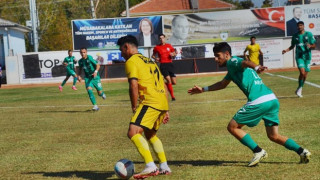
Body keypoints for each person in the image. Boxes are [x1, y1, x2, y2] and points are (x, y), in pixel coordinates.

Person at [188, 42, 311, 167]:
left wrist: (257, 67)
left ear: (226, 54)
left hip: (259, 100)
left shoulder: (233, 61)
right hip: (272, 99)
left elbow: (245, 62)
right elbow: (222, 84)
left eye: (217, 56)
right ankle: (302, 152)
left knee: (233, 127)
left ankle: (258, 151)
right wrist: (203, 89)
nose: (215, 59)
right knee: (274, 136)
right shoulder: (232, 69)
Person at [117, 35, 171, 179]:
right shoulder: (150, 61)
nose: (121, 54)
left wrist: (134, 106)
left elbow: (133, 84)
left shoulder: (131, 61)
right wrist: (166, 109)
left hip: (150, 101)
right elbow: (164, 85)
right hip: (161, 101)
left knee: (133, 132)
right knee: (150, 134)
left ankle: (150, 166)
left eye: (121, 50)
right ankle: (164, 166)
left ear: (126, 47)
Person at [282, 21, 316, 98]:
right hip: (299, 56)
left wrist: (310, 46)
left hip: (307, 57)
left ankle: (299, 88)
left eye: (301, 25)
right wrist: (286, 50)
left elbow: (314, 45)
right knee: (302, 72)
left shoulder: (309, 34)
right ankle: (299, 89)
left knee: (305, 75)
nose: (300, 27)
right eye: (298, 26)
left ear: (303, 26)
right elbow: (292, 46)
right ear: (297, 27)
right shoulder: (295, 36)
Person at [152, 34, 177, 101]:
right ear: (159, 39)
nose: (161, 39)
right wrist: (156, 58)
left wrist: (173, 54)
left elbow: (174, 53)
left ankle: (161, 84)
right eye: (160, 38)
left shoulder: (169, 45)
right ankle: (173, 97)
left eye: (162, 38)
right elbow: (153, 56)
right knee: (168, 80)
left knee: (174, 82)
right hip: (163, 65)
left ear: (165, 38)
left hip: (170, 64)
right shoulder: (157, 47)